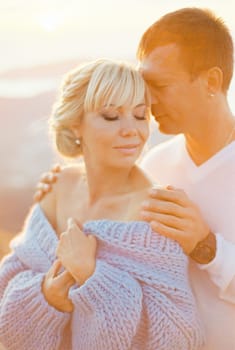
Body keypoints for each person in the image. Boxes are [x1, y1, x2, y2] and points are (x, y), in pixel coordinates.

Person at [36, 7, 235, 350]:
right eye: (146, 85)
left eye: (161, 85)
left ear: (212, 82)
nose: (148, 100)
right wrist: (62, 194)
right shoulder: (155, 166)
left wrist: (207, 247)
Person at [0, 59, 203, 350]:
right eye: (111, 116)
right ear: (76, 125)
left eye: (140, 115)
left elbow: (178, 336)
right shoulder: (58, 185)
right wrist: (46, 294)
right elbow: (9, 277)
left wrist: (93, 275)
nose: (132, 130)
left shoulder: (156, 210)